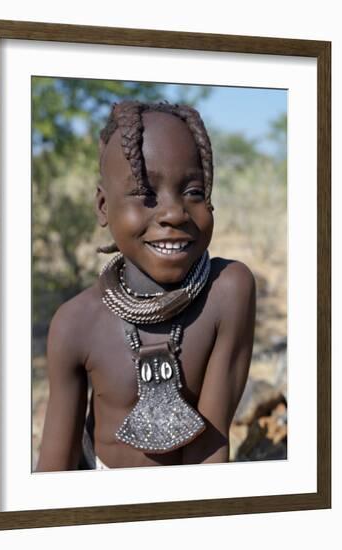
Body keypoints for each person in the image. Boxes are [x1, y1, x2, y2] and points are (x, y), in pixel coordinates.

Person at [36, 100, 256, 471]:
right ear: (104, 207)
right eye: (146, 194)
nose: (173, 213)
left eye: (194, 192)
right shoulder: (76, 323)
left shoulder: (228, 291)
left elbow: (210, 453)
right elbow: (55, 467)